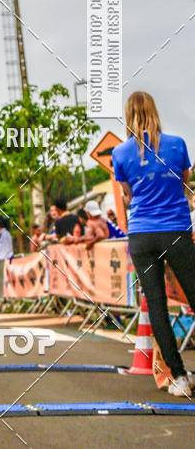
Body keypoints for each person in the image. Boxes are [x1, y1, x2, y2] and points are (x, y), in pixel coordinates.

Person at [112, 91, 195, 398]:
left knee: (157, 307)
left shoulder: (120, 154)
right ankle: (179, 374)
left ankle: (179, 377)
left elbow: (129, 196)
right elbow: (185, 182)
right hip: (176, 229)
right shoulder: (177, 144)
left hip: (142, 234)